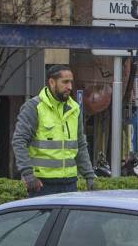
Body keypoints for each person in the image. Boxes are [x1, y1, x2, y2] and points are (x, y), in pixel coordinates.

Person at [11, 64, 96, 196]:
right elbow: (19, 141)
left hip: (70, 183)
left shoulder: (75, 109)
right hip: (41, 185)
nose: (70, 87)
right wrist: (28, 175)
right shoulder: (34, 107)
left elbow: (80, 145)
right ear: (52, 82)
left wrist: (89, 176)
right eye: (65, 82)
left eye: (71, 82)